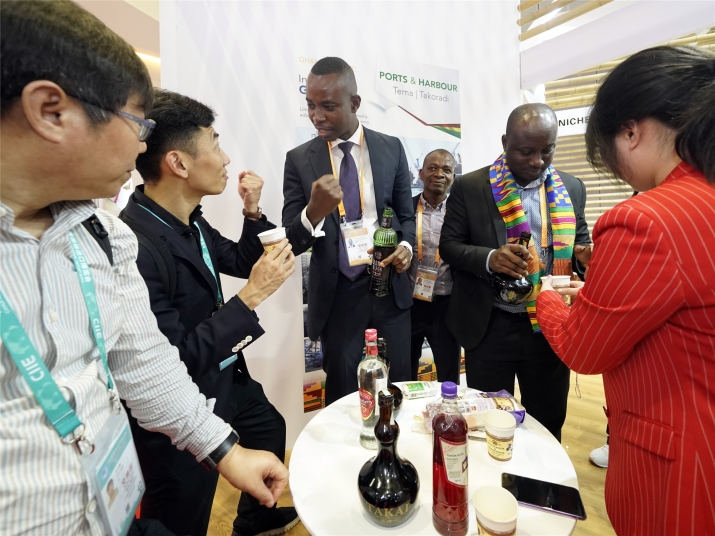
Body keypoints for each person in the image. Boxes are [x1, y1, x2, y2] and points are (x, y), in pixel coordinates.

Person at [0, 2, 287, 534]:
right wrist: (249, 298)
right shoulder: (137, 236)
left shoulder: (103, 237)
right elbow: (179, 352)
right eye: (138, 123)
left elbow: (146, 360)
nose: (140, 145)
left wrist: (224, 450)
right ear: (51, 111)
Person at [537, 45, 715, 534]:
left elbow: (583, 349)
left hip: (681, 465)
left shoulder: (644, 218)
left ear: (631, 131)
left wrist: (545, 295)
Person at [121, 90, 298, 536]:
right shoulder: (135, 246)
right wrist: (251, 297)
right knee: (186, 511)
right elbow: (173, 359)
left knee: (268, 428)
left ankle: (255, 521)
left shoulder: (190, 219)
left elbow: (237, 259)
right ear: (178, 163)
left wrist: (252, 212)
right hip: (182, 403)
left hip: (226, 375)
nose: (226, 158)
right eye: (215, 144)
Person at [439, 103, 591, 441]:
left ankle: (543, 477)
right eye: (526, 152)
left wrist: (584, 258)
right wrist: (490, 258)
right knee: (490, 423)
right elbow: (449, 246)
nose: (537, 161)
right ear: (506, 143)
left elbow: (579, 244)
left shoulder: (572, 187)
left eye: (547, 150)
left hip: (551, 327)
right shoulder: (470, 186)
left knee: (548, 422)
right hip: (490, 325)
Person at [282, 57, 416, 405]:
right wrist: (314, 211)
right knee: (343, 395)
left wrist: (405, 247)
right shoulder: (299, 160)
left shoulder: (391, 148)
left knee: (399, 386)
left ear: (354, 103)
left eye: (328, 106)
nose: (317, 116)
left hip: (390, 289)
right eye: (311, 105)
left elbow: (406, 215)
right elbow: (291, 239)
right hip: (338, 296)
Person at [409, 149, 461, 384]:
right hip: (409, 305)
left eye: (446, 170)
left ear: (453, 177)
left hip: (446, 305)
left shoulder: (461, 213)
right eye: (432, 168)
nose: (439, 174)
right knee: (404, 369)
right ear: (421, 173)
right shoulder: (405, 209)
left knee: (449, 372)